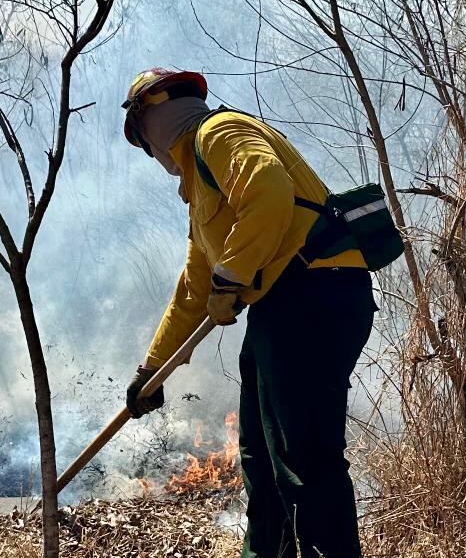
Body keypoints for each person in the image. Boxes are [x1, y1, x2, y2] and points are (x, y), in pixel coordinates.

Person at [119, 68, 376, 558]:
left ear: (150, 121)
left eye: (140, 138)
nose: (148, 152)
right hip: (279, 310)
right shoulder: (201, 190)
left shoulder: (218, 133)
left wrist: (232, 277)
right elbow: (194, 290)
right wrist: (151, 371)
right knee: (261, 458)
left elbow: (268, 191)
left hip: (312, 295)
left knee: (306, 459)